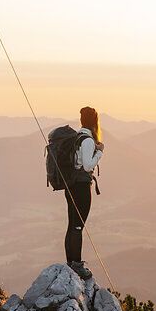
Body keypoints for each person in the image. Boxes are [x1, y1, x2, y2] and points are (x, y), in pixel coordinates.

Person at [64, 105, 103, 278]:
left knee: (72, 224)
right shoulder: (87, 140)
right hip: (81, 188)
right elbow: (87, 166)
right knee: (78, 226)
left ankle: (70, 262)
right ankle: (77, 265)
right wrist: (100, 152)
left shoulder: (76, 137)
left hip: (71, 186)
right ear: (95, 122)